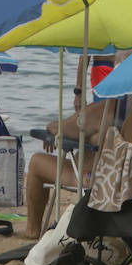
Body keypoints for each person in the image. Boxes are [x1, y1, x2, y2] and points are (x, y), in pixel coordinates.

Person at [21, 95, 116, 239]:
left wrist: (51, 129)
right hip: (119, 177)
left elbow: (64, 127)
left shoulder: (107, 108)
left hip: (90, 177)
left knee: (36, 162)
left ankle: (32, 230)